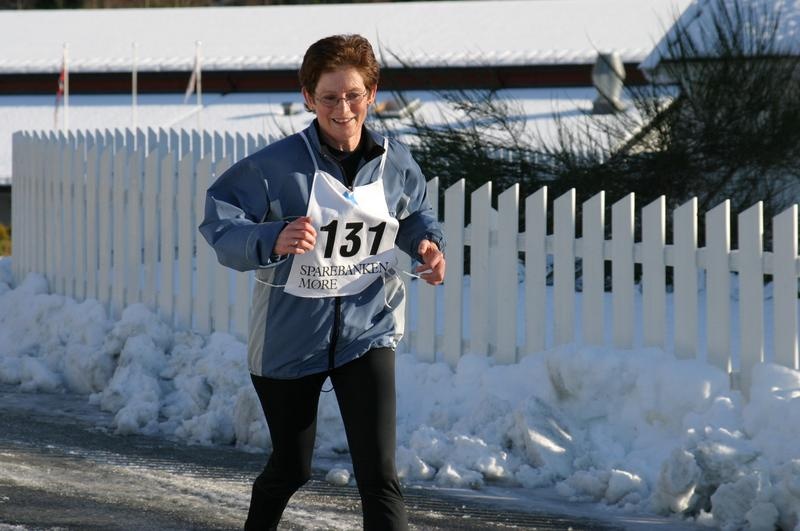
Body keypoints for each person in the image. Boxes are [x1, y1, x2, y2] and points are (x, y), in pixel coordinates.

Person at [198, 34, 445, 530]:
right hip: (289, 340)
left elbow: (413, 212)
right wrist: (271, 237)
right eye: (329, 97)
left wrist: (426, 244)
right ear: (308, 98)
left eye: (353, 95)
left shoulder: (394, 161)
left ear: (371, 94)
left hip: (367, 330)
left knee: (379, 474)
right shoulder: (275, 165)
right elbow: (220, 223)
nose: (343, 109)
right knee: (292, 468)